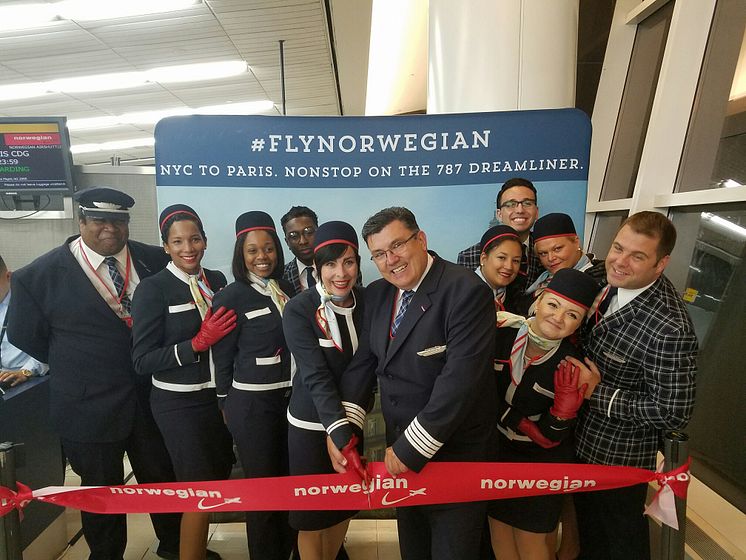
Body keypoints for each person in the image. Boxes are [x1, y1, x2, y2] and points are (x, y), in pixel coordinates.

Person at [7, 187, 184, 560]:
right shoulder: (37, 276)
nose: (110, 228)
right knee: (100, 491)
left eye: (118, 220)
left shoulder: (156, 260)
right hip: (88, 405)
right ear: (81, 221)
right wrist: (79, 362)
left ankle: (176, 549)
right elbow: (27, 335)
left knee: (164, 481)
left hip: (155, 400)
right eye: (100, 220)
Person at [330, 207, 498, 560]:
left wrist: (410, 449)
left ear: (420, 239)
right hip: (401, 458)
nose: (390, 261)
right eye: (378, 254)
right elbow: (365, 364)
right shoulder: (377, 294)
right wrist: (343, 431)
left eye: (397, 246)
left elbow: (461, 382)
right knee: (414, 549)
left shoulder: (465, 291)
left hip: (452, 455)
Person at [569, 211, 698, 560]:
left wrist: (598, 393)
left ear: (661, 263)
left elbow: (674, 411)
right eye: (617, 248)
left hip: (618, 461)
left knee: (621, 543)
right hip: (577, 443)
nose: (620, 262)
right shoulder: (606, 281)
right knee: (589, 539)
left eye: (637, 256)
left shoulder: (670, 327)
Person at [131, 204, 236, 560]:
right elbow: (142, 360)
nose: (188, 248)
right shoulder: (152, 289)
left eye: (194, 239)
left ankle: (196, 550)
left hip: (217, 399)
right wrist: (194, 345)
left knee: (215, 478)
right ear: (165, 247)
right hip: (178, 404)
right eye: (178, 242)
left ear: (205, 240)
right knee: (198, 488)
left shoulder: (218, 282)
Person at [488, 268, 601, 560]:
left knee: (533, 544)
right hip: (498, 454)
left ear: (579, 324)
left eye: (572, 315)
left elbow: (551, 437)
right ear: (538, 301)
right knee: (500, 537)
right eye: (553, 305)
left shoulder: (572, 365)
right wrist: (518, 421)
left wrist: (562, 414)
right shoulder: (501, 333)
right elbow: (476, 394)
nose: (558, 318)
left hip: (542, 464)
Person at [212, 211, 295, 560]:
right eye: (252, 250)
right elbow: (223, 356)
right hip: (252, 405)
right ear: (240, 254)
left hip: (290, 401)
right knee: (262, 493)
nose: (262, 257)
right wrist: (225, 402)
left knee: (289, 486)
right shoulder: (231, 296)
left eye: (269, 248)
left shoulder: (285, 289)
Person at [283, 221, 365, 560]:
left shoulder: (368, 303)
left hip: (351, 422)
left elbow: (366, 368)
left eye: (348, 261)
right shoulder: (299, 309)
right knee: (311, 516)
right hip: (310, 426)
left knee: (341, 508)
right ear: (316, 268)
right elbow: (315, 375)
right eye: (330, 264)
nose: (340, 273)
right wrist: (337, 432)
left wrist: (348, 429)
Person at [457, 177, 542, 287]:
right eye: (511, 204)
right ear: (499, 214)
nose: (520, 210)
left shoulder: (545, 252)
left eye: (527, 203)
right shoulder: (469, 256)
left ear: (536, 212)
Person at [519, 212, 604, 315]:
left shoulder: (594, 282)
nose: (550, 258)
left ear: (576, 242)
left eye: (557, 249)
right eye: (543, 253)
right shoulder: (542, 277)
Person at [0, 255, 48, 388]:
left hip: (32, 377)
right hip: (4, 377)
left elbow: (50, 346)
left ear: (8, 277)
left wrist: (25, 372)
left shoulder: (32, 302)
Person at [474, 225, 524, 313]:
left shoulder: (515, 296)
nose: (509, 267)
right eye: (502, 257)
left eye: (516, 261)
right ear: (483, 258)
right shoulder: (464, 293)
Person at [282, 206, 320, 295]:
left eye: (309, 232)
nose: (303, 241)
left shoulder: (340, 268)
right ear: (287, 242)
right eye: (294, 236)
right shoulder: (281, 277)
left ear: (319, 233)